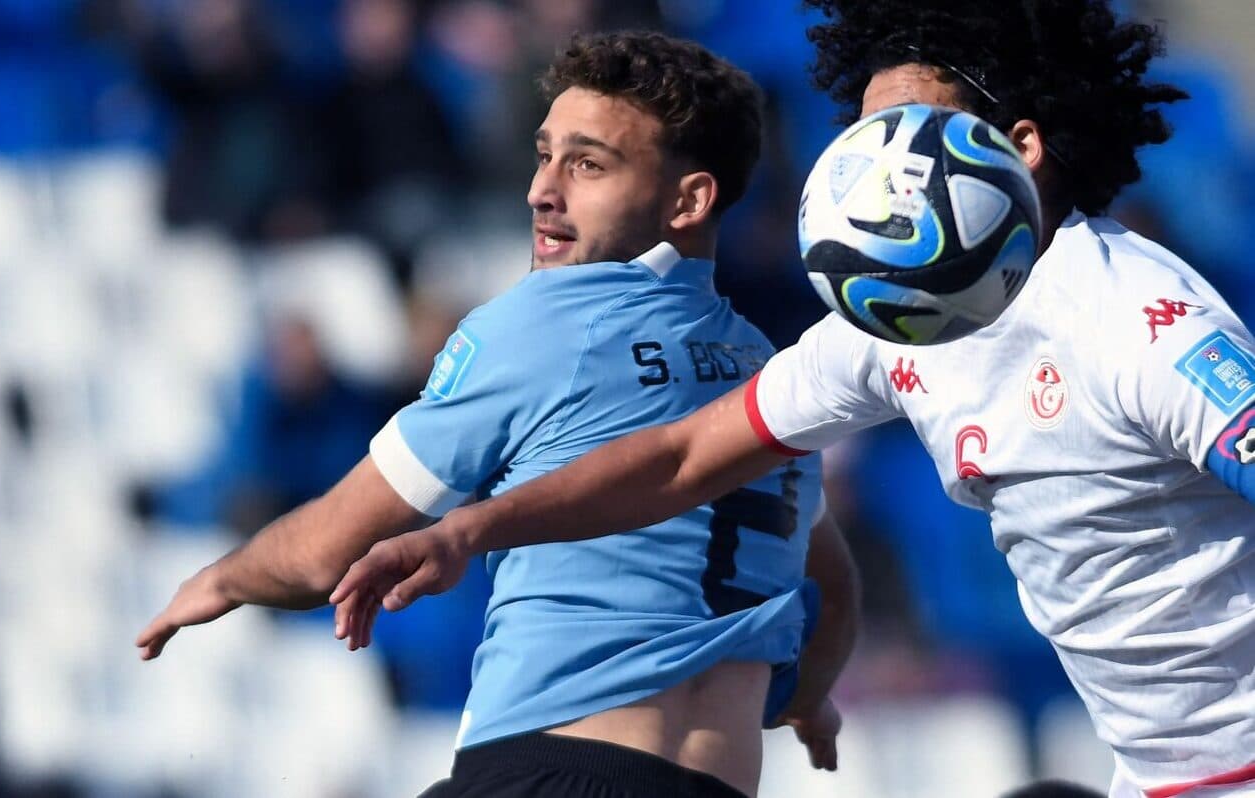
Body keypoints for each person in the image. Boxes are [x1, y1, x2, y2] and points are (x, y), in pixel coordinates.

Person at [330, 3, 1255, 798]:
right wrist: (468, 530)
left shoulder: (1139, 324)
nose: (873, 169)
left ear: (1019, 150)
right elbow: (683, 458)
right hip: (1158, 770)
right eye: (861, 136)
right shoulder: (897, 323)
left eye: (911, 134)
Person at [137, 31, 860, 798]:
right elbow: (835, 590)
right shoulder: (764, 373)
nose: (541, 190)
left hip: (552, 776)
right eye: (544, 154)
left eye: (587, 164)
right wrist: (807, 699)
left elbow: (325, 554)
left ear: (689, 199)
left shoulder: (548, 322)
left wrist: (228, 577)